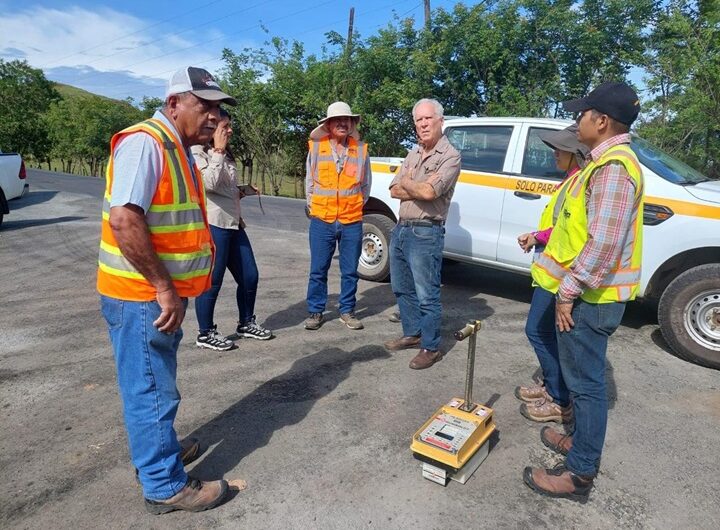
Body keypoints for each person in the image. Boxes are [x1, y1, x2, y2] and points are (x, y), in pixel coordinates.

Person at [98, 66, 236, 514]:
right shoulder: (147, 143)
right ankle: (164, 485)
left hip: (152, 297)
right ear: (174, 103)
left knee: (155, 384)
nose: (214, 116)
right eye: (205, 106)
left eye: (217, 107)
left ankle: (161, 453)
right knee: (152, 389)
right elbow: (125, 220)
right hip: (143, 297)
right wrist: (163, 287)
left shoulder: (177, 148)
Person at [523, 82, 644, 502]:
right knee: (582, 382)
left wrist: (568, 291)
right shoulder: (604, 164)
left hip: (593, 300)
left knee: (587, 387)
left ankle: (579, 474)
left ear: (602, 121)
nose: (577, 123)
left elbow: (604, 243)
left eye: (582, 115)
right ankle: (581, 446)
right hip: (592, 296)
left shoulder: (613, 168)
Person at [514, 124, 589, 424]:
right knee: (545, 333)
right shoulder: (571, 181)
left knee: (538, 331)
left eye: (561, 149)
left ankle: (559, 399)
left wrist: (538, 237)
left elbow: (573, 235)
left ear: (576, 154)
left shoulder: (579, 183)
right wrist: (537, 236)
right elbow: (560, 227)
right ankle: (552, 387)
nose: (555, 153)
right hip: (554, 273)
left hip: (561, 277)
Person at [384, 98, 461, 370]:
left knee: (426, 293)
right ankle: (413, 333)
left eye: (428, 119)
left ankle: (431, 347)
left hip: (426, 232)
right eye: (419, 120)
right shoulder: (414, 153)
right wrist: (413, 185)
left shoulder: (450, 156)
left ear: (441, 121)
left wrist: (407, 181)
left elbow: (431, 192)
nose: (423, 124)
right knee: (402, 287)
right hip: (402, 228)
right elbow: (393, 190)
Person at [192, 108, 272, 350]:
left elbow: (223, 187)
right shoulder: (196, 152)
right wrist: (217, 150)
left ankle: (246, 322)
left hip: (234, 223)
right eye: (225, 126)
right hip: (214, 224)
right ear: (212, 128)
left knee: (250, 275)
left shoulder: (225, 154)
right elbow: (208, 184)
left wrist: (241, 190)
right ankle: (205, 333)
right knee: (212, 281)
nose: (230, 131)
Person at [304, 101, 371, 331]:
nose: (343, 123)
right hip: (322, 219)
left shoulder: (361, 150)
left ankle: (347, 310)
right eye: (338, 120)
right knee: (318, 269)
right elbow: (310, 183)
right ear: (329, 125)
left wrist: (354, 207)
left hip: (351, 220)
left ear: (352, 124)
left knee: (350, 270)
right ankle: (315, 312)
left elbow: (365, 186)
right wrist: (314, 208)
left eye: (347, 120)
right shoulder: (316, 148)